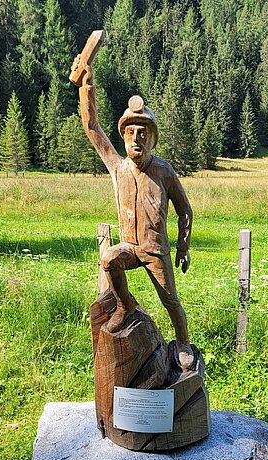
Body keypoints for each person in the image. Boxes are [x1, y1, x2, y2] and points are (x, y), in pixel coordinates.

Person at [75, 61, 194, 371]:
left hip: (155, 251)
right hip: (129, 246)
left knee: (171, 301)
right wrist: (86, 86)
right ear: (124, 137)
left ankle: (182, 342)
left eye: (143, 133)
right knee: (108, 259)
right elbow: (92, 128)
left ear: (151, 138)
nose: (136, 138)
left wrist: (183, 247)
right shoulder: (118, 167)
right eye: (130, 132)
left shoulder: (163, 172)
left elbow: (185, 212)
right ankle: (125, 304)